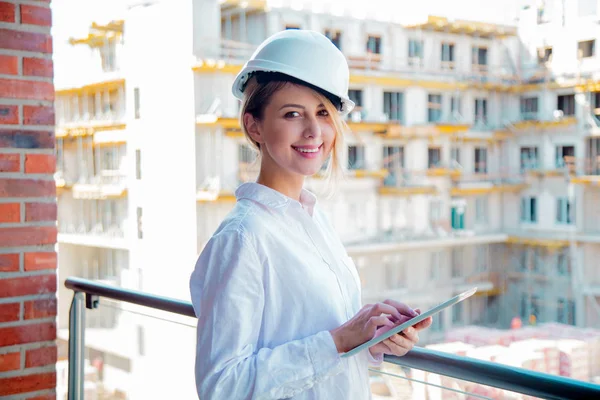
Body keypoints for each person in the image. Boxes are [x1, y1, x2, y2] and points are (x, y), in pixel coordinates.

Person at [189, 29, 432, 400]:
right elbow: (222, 386)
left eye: (323, 112)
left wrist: (371, 334)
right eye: (292, 114)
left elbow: (317, 348)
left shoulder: (315, 221)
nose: (314, 131)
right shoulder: (242, 238)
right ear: (254, 125)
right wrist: (338, 340)